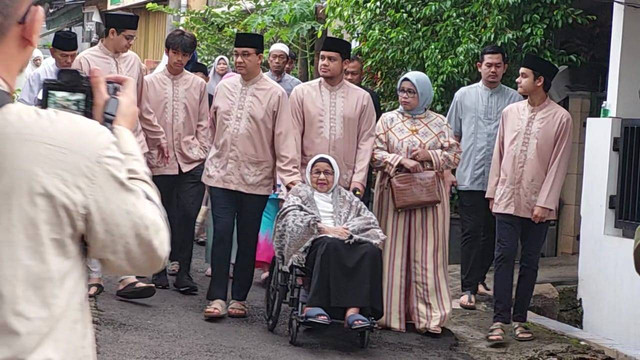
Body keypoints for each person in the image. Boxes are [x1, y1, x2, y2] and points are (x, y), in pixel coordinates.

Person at [0, 2, 170, 358]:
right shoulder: (71, 137)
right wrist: (120, 136)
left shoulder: (135, 63)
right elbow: (146, 247)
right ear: (34, 27)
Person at [202, 33, 297, 319]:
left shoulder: (275, 94)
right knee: (220, 236)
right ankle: (217, 297)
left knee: (247, 238)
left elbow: (284, 139)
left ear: (259, 57)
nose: (239, 60)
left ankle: (239, 298)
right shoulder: (224, 87)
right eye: (237, 54)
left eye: (246, 54)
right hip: (221, 174)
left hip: (256, 179)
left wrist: (289, 179)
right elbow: (212, 127)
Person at [485, 54, 572, 344]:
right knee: (504, 256)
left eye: (523, 76)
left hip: (538, 203)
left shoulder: (561, 118)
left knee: (531, 262)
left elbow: (559, 164)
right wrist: (493, 191)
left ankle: (521, 319)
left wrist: (545, 203)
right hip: (507, 197)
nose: (518, 80)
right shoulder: (510, 113)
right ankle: (499, 320)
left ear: (539, 81)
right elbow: (498, 154)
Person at [72, 11, 154, 299]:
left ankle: (127, 276)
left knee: (127, 208)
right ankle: (95, 275)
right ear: (112, 33)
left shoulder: (135, 63)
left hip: (130, 144)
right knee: (95, 210)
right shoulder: (86, 61)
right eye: (128, 38)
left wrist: (156, 140)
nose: (131, 44)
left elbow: (142, 105)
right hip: (96, 145)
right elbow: (80, 105)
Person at [372, 71, 461, 335]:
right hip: (393, 195)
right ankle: (389, 312)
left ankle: (429, 317)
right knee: (392, 251)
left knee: (428, 253)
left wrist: (428, 156)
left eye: (412, 92)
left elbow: (454, 155)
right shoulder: (387, 120)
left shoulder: (439, 122)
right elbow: (374, 154)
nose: (405, 97)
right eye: (402, 91)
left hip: (428, 198)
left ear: (423, 94)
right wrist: (400, 161)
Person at [446, 45, 522, 310]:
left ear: (505, 68)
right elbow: (452, 136)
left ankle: (478, 279)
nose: (493, 70)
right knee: (470, 232)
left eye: (498, 65)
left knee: (493, 233)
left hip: (502, 180)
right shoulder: (463, 96)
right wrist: (449, 170)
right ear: (479, 67)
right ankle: (467, 288)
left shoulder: (515, 100)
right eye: (488, 65)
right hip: (469, 176)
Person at [138, 29, 211, 294]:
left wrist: (202, 149)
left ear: (191, 56)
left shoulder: (198, 85)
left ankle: (185, 271)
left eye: (185, 54)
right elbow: (143, 119)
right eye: (176, 53)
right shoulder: (149, 83)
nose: (179, 59)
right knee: (161, 214)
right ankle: (158, 267)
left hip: (191, 160)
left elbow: (204, 121)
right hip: (159, 159)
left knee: (188, 215)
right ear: (167, 51)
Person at [274, 154, 385, 327]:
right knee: (329, 243)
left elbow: (367, 220)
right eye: (316, 172)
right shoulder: (299, 193)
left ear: (335, 176)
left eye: (327, 173)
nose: (322, 177)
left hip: (345, 240)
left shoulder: (346, 197)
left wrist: (349, 232)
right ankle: (313, 305)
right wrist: (322, 228)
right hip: (312, 246)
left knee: (371, 251)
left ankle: (353, 312)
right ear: (309, 174)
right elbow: (289, 218)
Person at [285, 37, 376, 199]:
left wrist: (358, 180)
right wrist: (293, 179)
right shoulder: (302, 93)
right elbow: (292, 137)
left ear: (345, 63)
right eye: (322, 58)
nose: (324, 63)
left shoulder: (362, 98)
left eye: (331, 59)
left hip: (345, 184)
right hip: (307, 182)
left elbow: (365, 141)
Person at [19, 30, 78, 106]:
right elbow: (24, 104)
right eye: (64, 56)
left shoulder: (81, 70)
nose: (69, 61)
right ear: (52, 52)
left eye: (73, 55)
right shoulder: (40, 74)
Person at [344, 56, 382, 120]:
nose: (349, 77)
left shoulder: (370, 97)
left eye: (354, 74)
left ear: (362, 74)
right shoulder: (333, 95)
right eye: (346, 73)